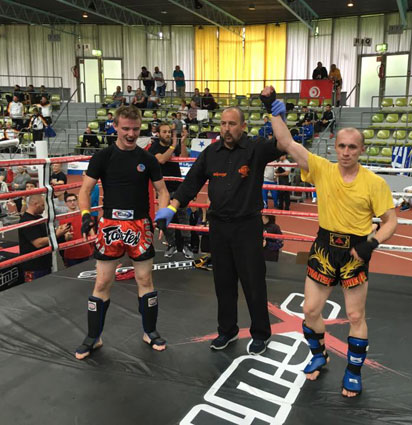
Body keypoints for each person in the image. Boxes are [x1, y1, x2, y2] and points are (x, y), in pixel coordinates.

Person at [262, 86, 397, 397]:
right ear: (335, 147)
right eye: (342, 146)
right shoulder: (322, 169)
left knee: (355, 316)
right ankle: (319, 354)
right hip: (324, 247)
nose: (346, 152)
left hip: (355, 251)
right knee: (310, 310)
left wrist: (371, 243)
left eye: (352, 147)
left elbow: (391, 221)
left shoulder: (374, 183)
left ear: (361, 150)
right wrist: (272, 109)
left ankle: (353, 372)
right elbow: (287, 143)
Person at [155, 106, 283, 356]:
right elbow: (191, 183)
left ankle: (261, 333)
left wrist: (276, 114)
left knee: (254, 283)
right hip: (219, 227)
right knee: (223, 282)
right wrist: (172, 207)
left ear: (243, 126)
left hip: (247, 226)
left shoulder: (255, 149)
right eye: (223, 124)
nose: (226, 129)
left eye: (232, 124)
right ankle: (227, 330)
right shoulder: (211, 152)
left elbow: (282, 143)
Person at [74, 105, 171, 360]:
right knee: (102, 282)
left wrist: (163, 216)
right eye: (125, 128)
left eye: (135, 129)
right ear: (115, 127)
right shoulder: (103, 157)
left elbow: (162, 191)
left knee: (145, 280)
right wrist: (85, 215)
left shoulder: (147, 158)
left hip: (140, 225)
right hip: (110, 225)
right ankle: (93, 337)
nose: (130, 133)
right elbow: (85, 191)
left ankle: (150, 332)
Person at [148, 123, 193, 258]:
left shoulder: (174, 146)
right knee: (167, 217)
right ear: (158, 134)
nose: (167, 134)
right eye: (164, 132)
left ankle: (187, 245)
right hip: (164, 190)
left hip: (178, 188)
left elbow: (184, 157)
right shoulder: (155, 147)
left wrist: (182, 142)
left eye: (169, 132)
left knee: (183, 216)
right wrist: (173, 145)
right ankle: (171, 244)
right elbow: (161, 160)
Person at [18, 194, 72, 282]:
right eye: (42, 205)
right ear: (35, 204)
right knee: (35, 289)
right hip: (33, 266)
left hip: (44, 262)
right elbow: (38, 243)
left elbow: (47, 235)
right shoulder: (26, 221)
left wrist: (61, 232)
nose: (44, 208)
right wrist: (57, 234)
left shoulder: (39, 218)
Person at [59, 192, 94, 267]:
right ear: (65, 203)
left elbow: (92, 232)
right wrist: (67, 237)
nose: (72, 202)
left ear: (77, 201)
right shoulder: (63, 219)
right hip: (71, 254)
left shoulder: (85, 216)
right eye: (69, 201)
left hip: (86, 251)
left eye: (74, 200)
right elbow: (65, 237)